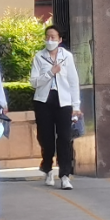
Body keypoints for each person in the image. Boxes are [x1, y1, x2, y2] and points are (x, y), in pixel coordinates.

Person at [30, 24, 81, 190]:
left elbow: (73, 81)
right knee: (46, 138)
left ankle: (65, 175)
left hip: (63, 101)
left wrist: (76, 105)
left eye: (53, 37)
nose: (49, 40)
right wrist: (50, 73)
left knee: (65, 138)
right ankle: (48, 168)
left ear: (60, 39)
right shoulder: (39, 57)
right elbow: (34, 82)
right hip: (43, 101)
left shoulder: (67, 57)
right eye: (47, 37)